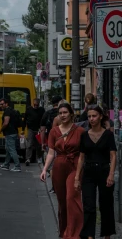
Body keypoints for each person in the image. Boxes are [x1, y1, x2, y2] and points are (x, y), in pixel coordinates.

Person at [41, 102, 84, 239]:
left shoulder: (80, 132)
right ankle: (64, 231)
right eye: (60, 113)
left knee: (72, 198)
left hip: (75, 166)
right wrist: (45, 169)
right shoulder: (54, 131)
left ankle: (74, 234)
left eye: (65, 112)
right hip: (59, 166)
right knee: (62, 202)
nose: (62, 115)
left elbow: (83, 153)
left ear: (71, 114)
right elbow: (51, 152)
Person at [75, 105, 116, 239]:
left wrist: (111, 175)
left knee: (106, 205)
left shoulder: (108, 134)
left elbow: (113, 156)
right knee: (89, 205)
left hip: (104, 170)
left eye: (94, 116)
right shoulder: (84, 135)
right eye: (89, 116)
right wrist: (77, 177)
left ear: (100, 117)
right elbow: (81, 157)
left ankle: (107, 235)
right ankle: (89, 235)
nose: (91, 119)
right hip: (88, 172)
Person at [0, 97, 22, 173]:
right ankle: (6, 164)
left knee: (12, 150)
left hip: (10, 133)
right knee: (8, 149)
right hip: (13, 132)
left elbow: (6, 122)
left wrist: (1, 129)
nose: (1, 106)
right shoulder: (12, 111)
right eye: (0, 104)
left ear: (6, 104)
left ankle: (17, 166)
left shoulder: (7, 111)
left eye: (2, 104)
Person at [24, 97, 45, 166]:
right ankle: (28, 158)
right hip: (30, 129)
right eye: (35, 105)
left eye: (37, 105)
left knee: (39, 145)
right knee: (29, 144)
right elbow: (25, 119)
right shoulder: (29, 109)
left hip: (38, 129)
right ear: (33, 103)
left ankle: (38, 157)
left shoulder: (41, 110)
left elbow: (43, 119)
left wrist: (42, 128)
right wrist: (23, 129)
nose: (36, 106)